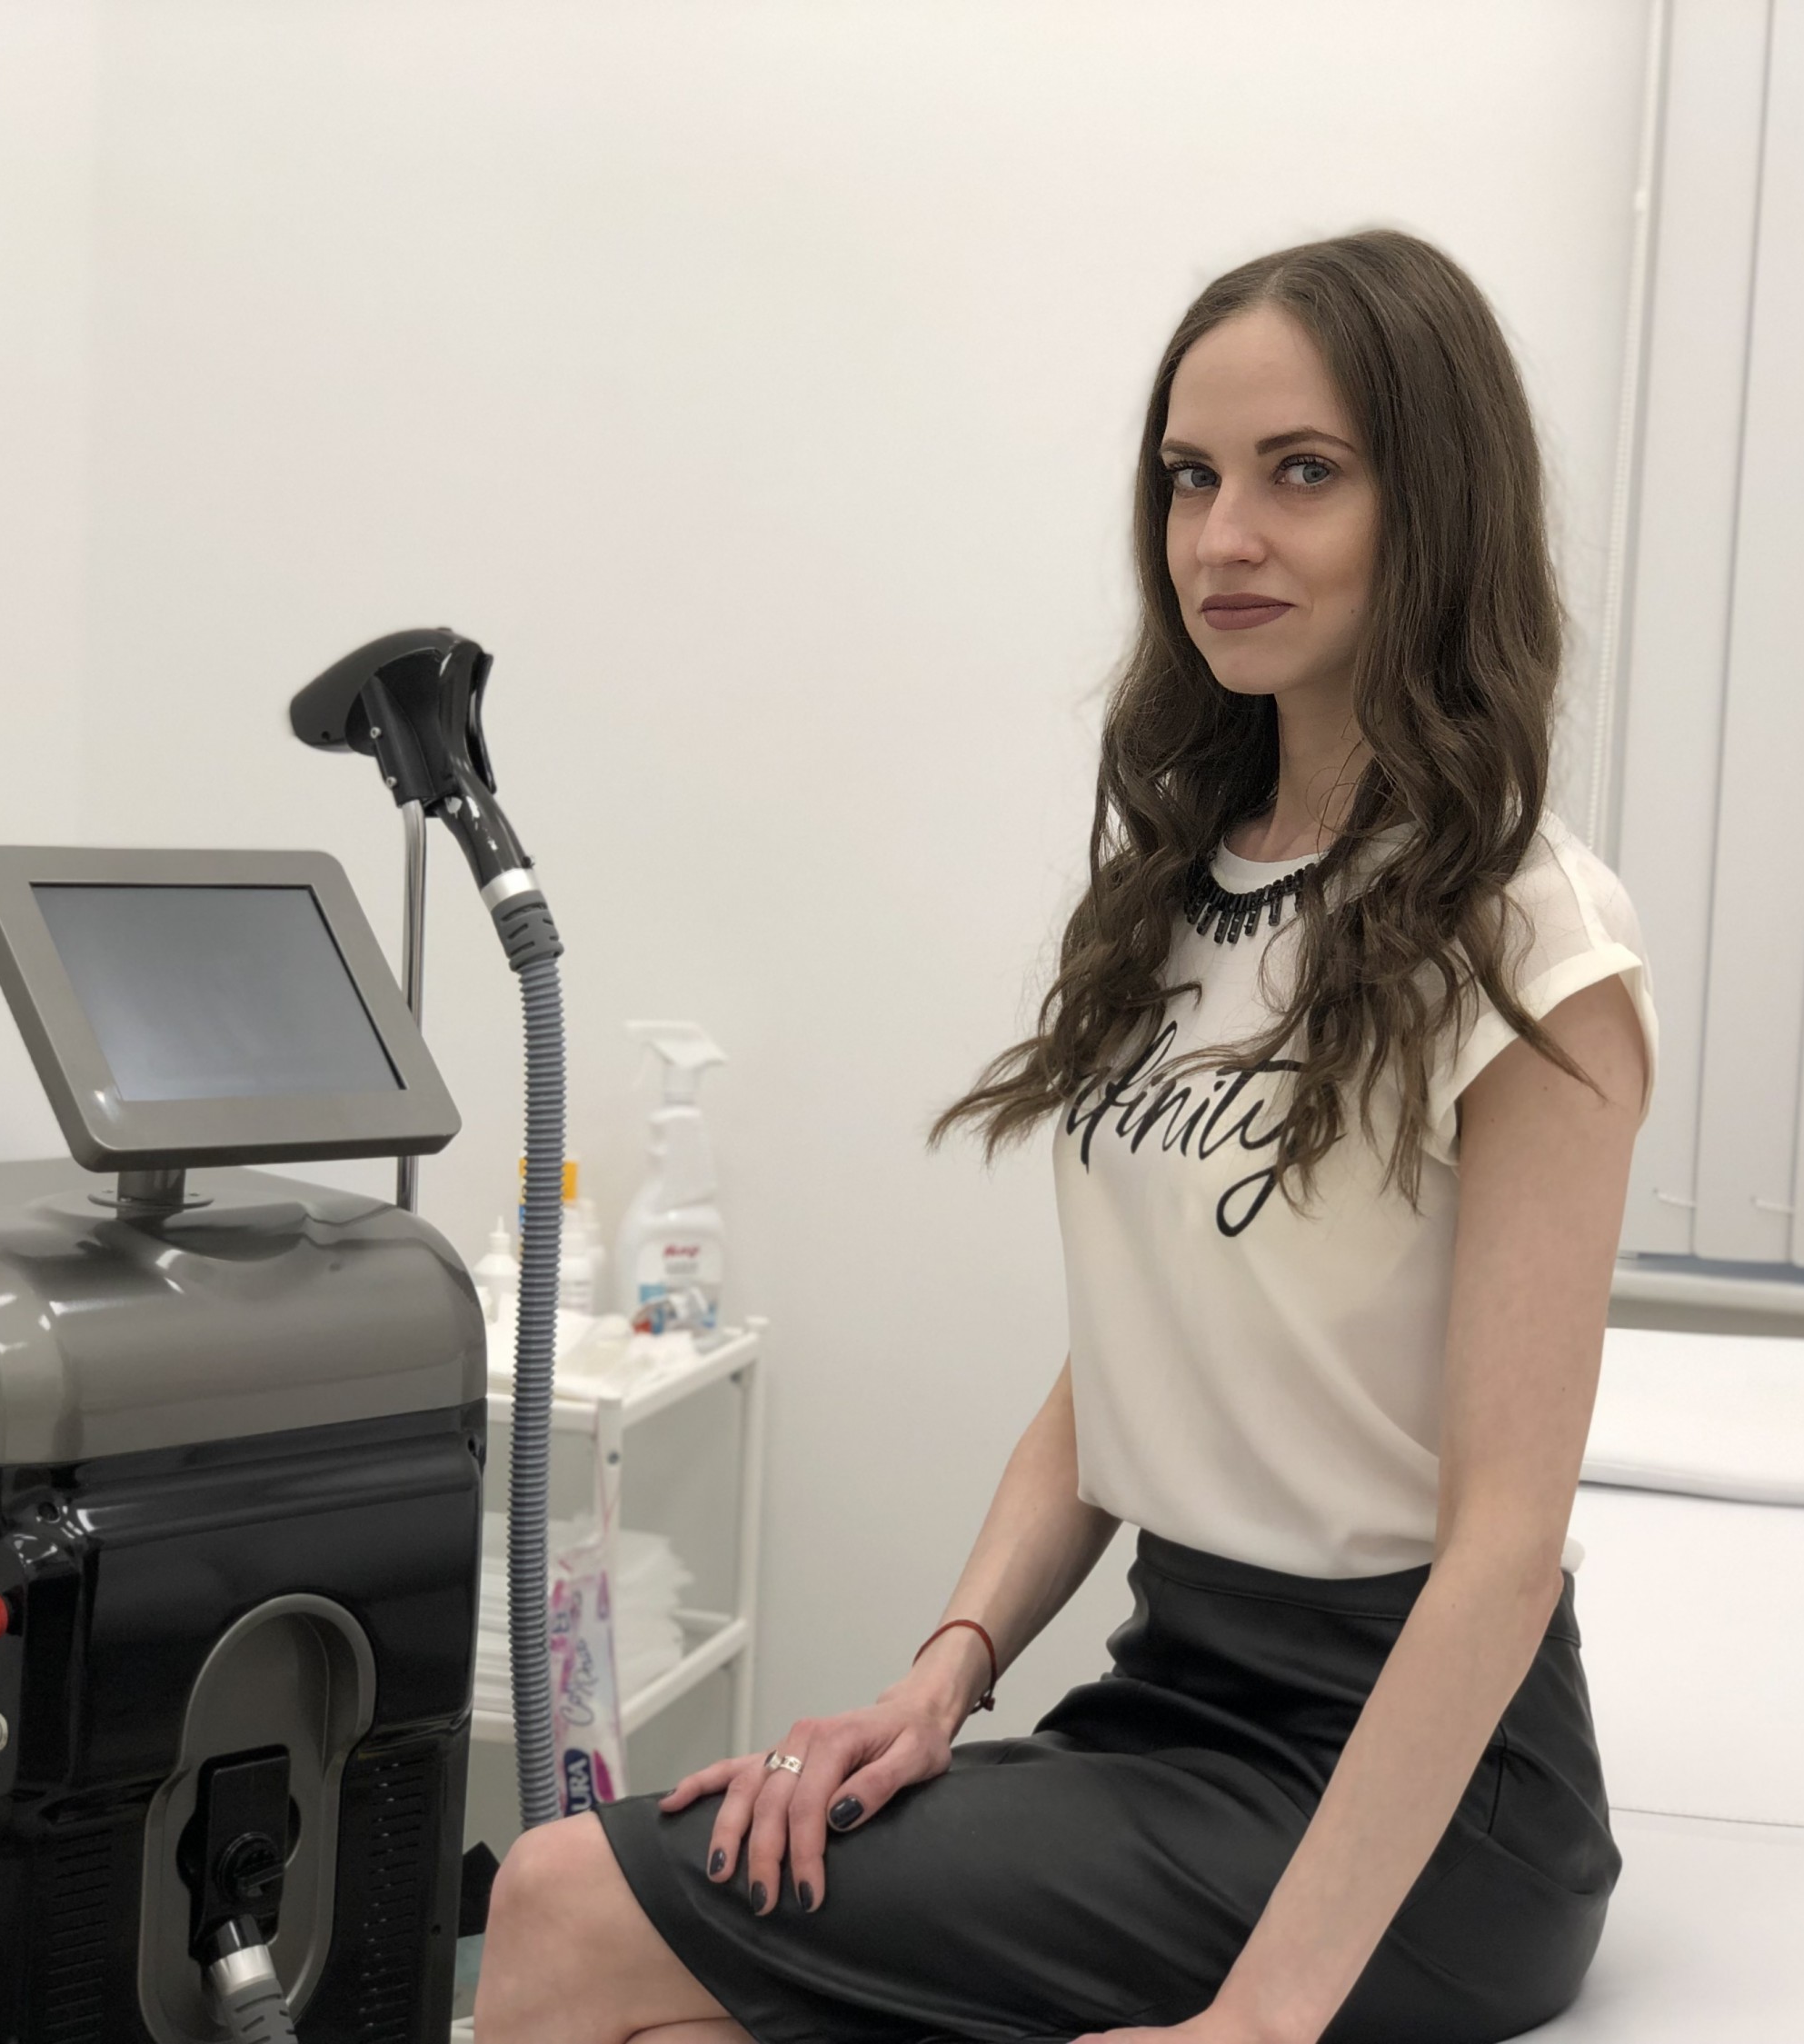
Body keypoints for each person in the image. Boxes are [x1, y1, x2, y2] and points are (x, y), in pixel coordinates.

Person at [475, 227, 1658, 2044]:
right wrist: (944, 1672)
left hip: (1433, 1803)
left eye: (1303, 473)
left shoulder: (1532, 945)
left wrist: (1258, 2025)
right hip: (1175, 1698)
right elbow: (1130, 1356)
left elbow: (1505, 1545)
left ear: (1436, 507)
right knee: (684, 2006)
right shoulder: (1180, 893)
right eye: (1190, 477)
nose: (1222, 536)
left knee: (562, 1901)